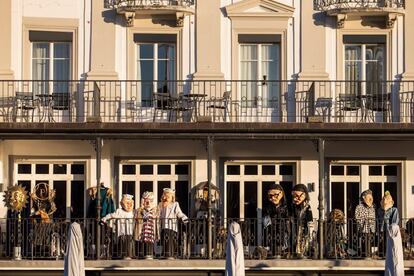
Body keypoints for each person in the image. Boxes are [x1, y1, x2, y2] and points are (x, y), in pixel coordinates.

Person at [101, 194, 135, 259]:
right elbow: (111, 215)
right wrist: (104, 219)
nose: (129, 205)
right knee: (123, 243)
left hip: (130, 231)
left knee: (129, 243)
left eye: (130, 203)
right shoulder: (119, 211)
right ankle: (124, 255)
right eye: (127, 203)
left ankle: (129, 255)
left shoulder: (133, 212)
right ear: (122, 204)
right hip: (122, 232)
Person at [159, 188, 188, 259]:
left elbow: (179, 213)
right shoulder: (161, 205)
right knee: (164, 241)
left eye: (168, 197)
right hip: (163, 226)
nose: (166, 198)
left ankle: (170, 255)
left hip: (172, 226)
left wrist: (186, 220)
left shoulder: (175, 204)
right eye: (165, 196)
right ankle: (165, 254)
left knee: (171, 241)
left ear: (172, 197)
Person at [263, 183, 289, 258]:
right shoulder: (268, 207)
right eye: (270, 196)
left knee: (281, 239)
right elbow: (265, 221)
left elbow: (287, 217)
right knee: (272, 239)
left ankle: (281, 251)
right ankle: (272, 251)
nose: (273, 198)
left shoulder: (286, 207)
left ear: (281, 194)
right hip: (271, 229)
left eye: (276, 195)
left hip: (282, 229)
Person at [290, 184, 313, 258]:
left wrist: (310, 226)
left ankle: (302, 252)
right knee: (295, 239)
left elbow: (310, 218)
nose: (297, 198)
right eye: (295, 196)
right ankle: (296, 252)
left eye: (299, 196)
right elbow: (291, 215)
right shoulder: (292, 206)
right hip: (295, 227)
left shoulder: (307, 206)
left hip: (303, 227)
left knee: (303, 240)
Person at [134, 191, 159, 259]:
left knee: (151, 241)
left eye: (150, 201)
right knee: (143, 241)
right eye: (146, 201)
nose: (148, 203)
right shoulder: (139, 210)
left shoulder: (156, 210)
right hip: (143, 230)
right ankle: (143, 253)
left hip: (151, 229)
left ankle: (150, 253)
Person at [354, 189, 376, 258]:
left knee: (369, 240)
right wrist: (362, 223)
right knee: (364, 241)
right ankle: (364, 254)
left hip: (370, 227)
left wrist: (372, 223)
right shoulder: (359, 207)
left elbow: (374, 216)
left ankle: (369, 254)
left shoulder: (373, 207)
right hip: (363, 227)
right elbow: (357, 217)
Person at [377, 191, 399, 257]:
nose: (385, 201)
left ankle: (389, 255)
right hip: (381, 229)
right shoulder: (379, 210)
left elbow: (395, 221)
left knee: (389, 243)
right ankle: (382, 254)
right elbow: (377, 219)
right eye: (384, 199)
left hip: (389, 229)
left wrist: (391, 229)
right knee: (382, 242)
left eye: (387, 199)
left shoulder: (394, 210)